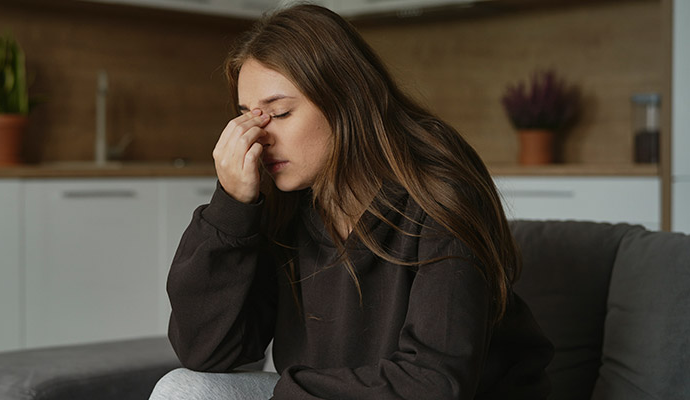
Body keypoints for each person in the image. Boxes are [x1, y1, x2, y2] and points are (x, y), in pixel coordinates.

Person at [151, 4, 554, 399]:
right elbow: (207, 352)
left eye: (281, 112)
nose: (259, 136)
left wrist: (287, 391)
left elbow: (434, 384)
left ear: (344, 97)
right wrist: (232, 205)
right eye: (248, 116)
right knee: (184, 389)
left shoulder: (438, 184)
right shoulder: (284, 199)